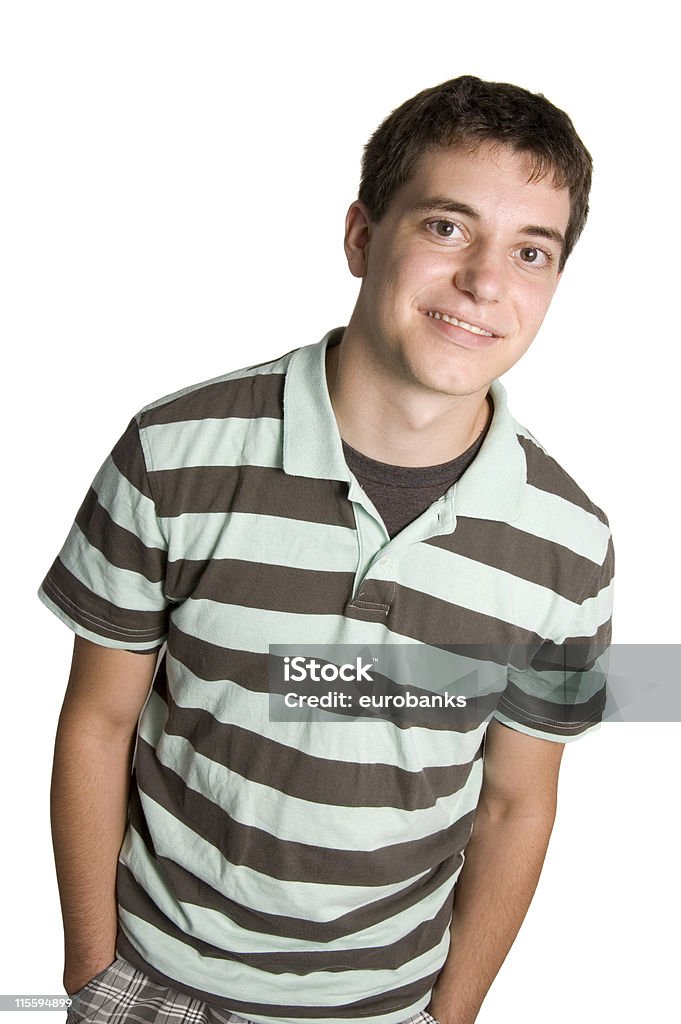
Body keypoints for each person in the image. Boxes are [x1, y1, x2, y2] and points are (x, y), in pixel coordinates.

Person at [40, 75, 614, 1024]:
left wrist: (450, 1014)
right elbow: (96, 724)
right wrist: (94, 971)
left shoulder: (568, 543)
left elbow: (517, 803)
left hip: (388, 1005)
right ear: (361, 236)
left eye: (530, 250)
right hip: (156, 985)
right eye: (445, 227)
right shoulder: (172, 453)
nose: (484, 281)